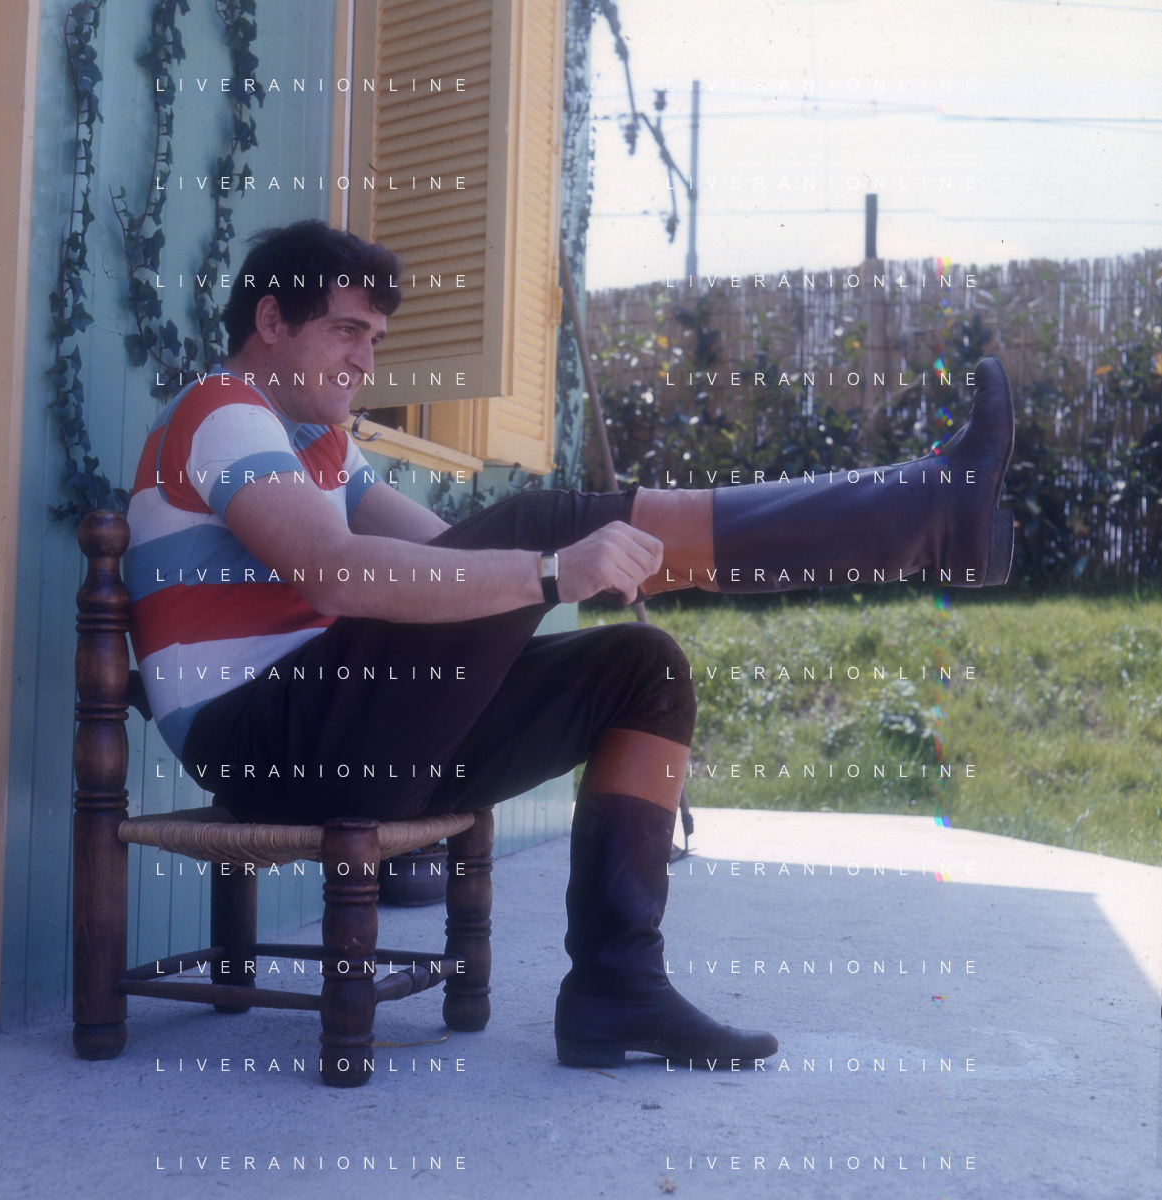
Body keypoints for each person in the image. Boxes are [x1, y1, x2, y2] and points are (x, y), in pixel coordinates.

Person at [125, 219, 1015, 1070]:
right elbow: (334, 573)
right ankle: (923, 514)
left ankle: (616, 986)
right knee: (543, 530)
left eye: (376, 340)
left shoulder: (320, 448)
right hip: (264, 744)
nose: (366, 360)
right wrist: (552, 568)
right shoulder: (222, 409)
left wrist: (597, 565)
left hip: (347, 737)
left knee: (640, 669)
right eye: (346, 331)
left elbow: (448, 559)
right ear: (270, 320)